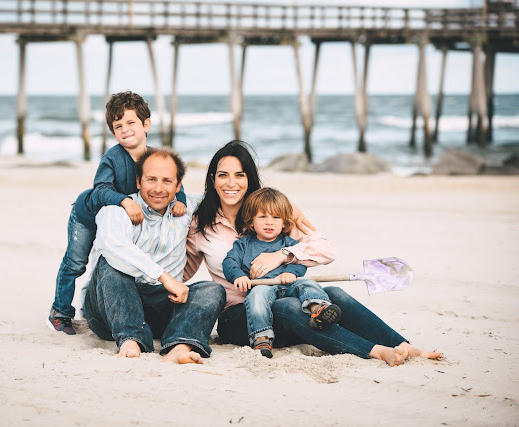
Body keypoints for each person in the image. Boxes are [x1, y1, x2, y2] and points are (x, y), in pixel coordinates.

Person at [185, 140, 444, 366]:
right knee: (289, 307)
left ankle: (403, 345)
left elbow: (327, 249)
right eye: (223, 175)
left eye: (239, 175)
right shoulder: (200, 224)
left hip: (287, 301)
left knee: (333, 294)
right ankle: (374, 351)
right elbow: (182, 270)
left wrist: (283, 255)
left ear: (249, 179)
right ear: (213, 179)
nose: (231, 183)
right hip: (241, 318)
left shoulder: (272, 214)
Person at [47, 91, 187, 335]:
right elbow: (101, 189)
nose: (125, 129)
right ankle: (60, 311)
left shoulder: (155, 157)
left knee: (112, 261)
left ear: (146, 125)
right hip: (87, 215)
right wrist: (125, 201)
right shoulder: (112, 158)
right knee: (76, 263)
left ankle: (93, 302)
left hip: (118, 219)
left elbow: (172, 177)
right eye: (118, 126)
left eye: (131, 122)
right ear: (113, 133)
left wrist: (181, 200)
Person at [83, 147, 225, 364]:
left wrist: (285, 216)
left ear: (178, 185)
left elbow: (235, 202)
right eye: (151, 180)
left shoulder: (188, 208)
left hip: (162, 305)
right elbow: (113, 244)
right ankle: (131, 339)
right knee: (111, 263)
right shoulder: (117, 209)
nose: (158, 189)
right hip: (111, 307)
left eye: (167, 181)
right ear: (138, 181)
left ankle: (179, 346)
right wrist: (164, 277)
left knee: (212, 290)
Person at [222, 187, 341, 358]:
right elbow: (229, 262)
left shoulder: (289, 243)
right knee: (256, 298)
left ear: (284, 223)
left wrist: (292, 272)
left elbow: (299, 262)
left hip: (287, 285)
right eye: (263, 217)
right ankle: (261, 337)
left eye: (276, 217)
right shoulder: (243, 244)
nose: (269, 222)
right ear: (251, 222)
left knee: (308, 284)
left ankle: (318, 309)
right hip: (262, 286)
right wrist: (238, 276)